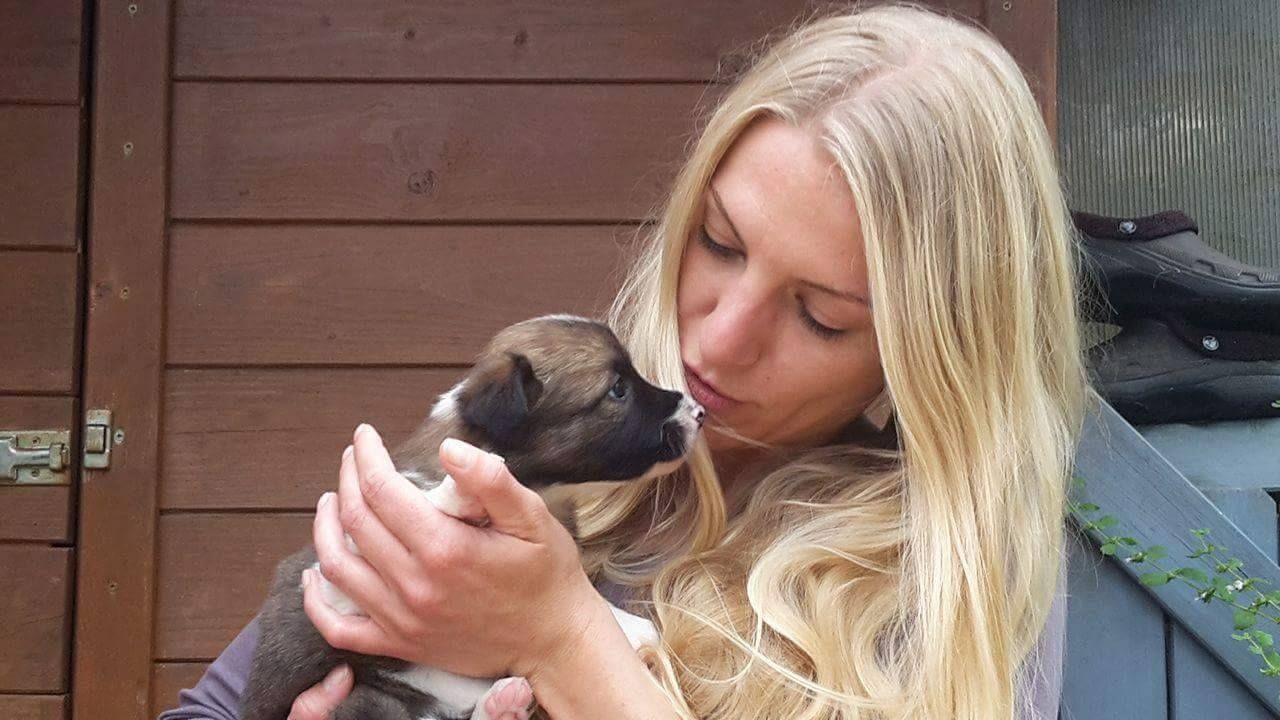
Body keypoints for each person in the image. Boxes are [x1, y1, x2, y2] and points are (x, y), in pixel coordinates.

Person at [160, 3, 1088, 719]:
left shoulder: (947, 583)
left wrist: (564, 642)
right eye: (720, 244)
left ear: (932, 358)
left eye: (819, 316)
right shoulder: (545, 444)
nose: (718, 342)